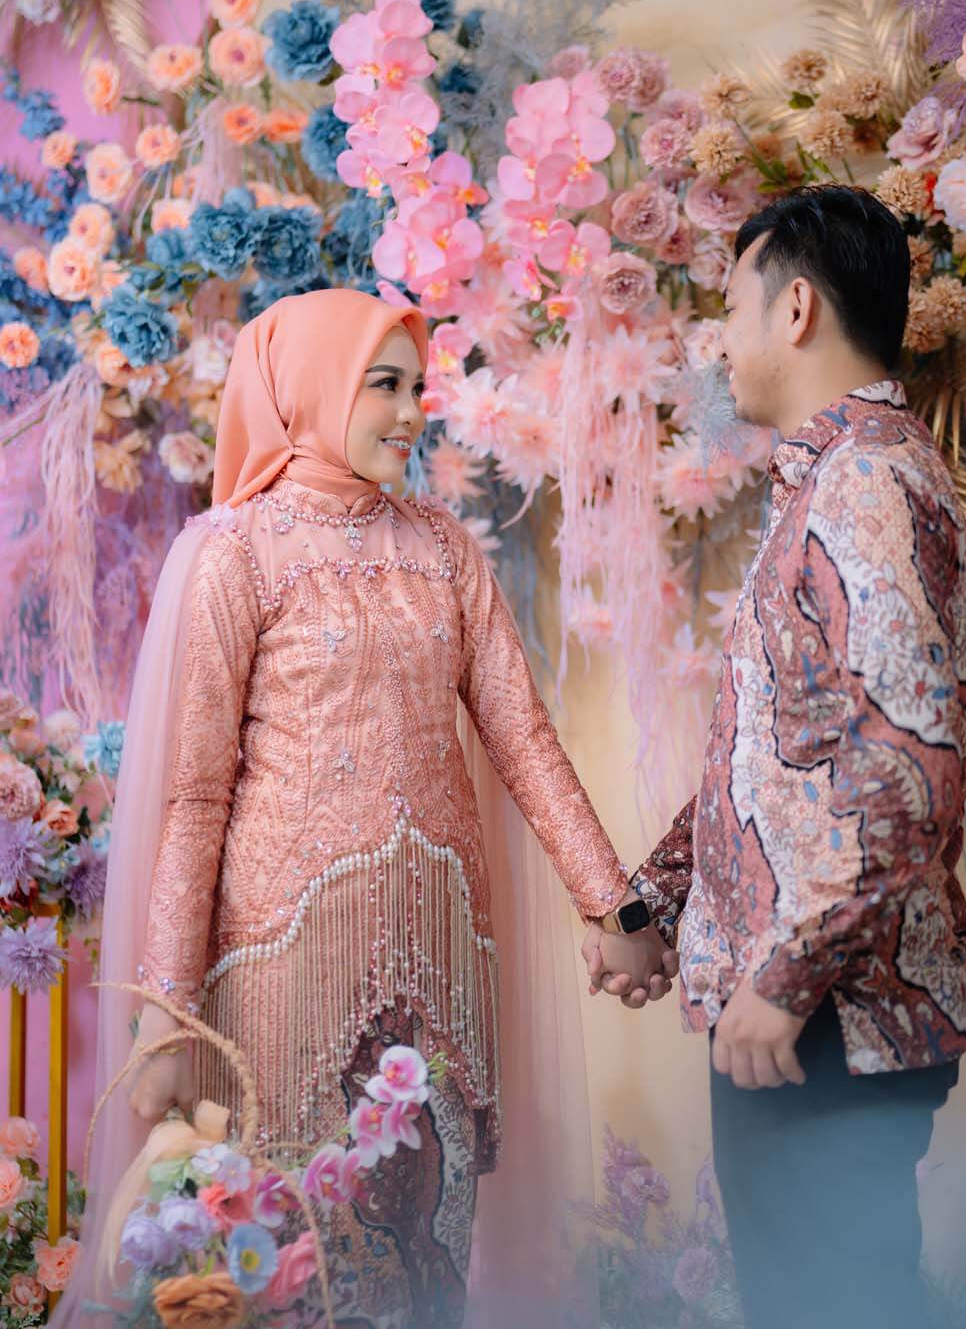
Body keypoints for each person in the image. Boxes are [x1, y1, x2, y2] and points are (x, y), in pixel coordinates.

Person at [63, 288, 674, 1329]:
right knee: (299, 1268)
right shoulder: (233, 553)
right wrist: (164, 1015)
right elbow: (194, 800)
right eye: (381, 385)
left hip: (439, 973)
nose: (409, 412)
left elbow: (522, 737)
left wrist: (613, 906)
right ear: (309, 389)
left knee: (428, 1256)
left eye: (416, 387)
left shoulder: (441, 546)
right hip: (282, 983)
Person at [584, 184, 966, 1329]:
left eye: (729, 309)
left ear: (795, 308)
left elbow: (909, 766)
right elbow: (771, 756)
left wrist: (784, 975)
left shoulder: (864, 484)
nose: (720, 340)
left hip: (829, 1014)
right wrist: (649, 903)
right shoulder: (832, 477)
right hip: (810, 1004)